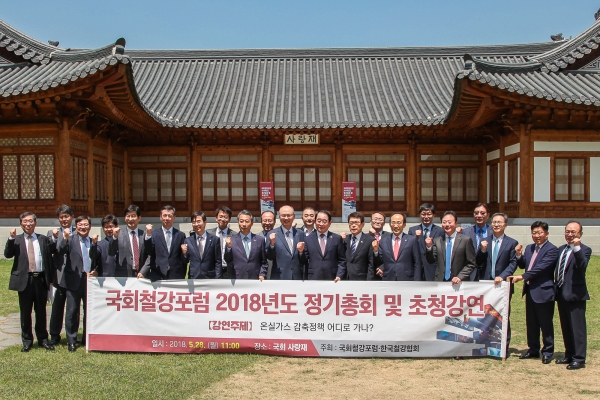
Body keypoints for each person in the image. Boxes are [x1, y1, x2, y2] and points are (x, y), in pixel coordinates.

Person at [508, 221, 558, 364]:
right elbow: (524, 264)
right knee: (532, 323)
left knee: (545, 323)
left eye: (540, 233)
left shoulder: (552, 249)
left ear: (546, 234)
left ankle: (548, 351)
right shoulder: (530, 248)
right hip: (530, 291)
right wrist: (518, 255)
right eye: (534, 233)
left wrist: (522, 277)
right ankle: (533, 349)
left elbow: (540, 268)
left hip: (544, 291)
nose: (537, 236)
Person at [4, 212, 55, 352]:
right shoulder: (17, 239)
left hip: (40, 279)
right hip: (25, 280)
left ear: (35, 223)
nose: (28, 224)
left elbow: (52, 253)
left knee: (41, 311)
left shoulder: (43, 239)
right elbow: (8, 255)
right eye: (25, 221)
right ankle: (27, 341)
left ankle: (43, 339)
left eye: (31, 221)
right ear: (21, 224)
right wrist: (10, 238)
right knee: (25, 312)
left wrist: (55, 238)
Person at [56, 216, 99, 352]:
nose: (83, 227)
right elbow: (60, 250)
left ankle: (87, 338)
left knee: (89, 311)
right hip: (73, 281)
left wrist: (96, 270)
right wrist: (64, 238)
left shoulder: (93, 241)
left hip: (89, 281)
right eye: (80, 225)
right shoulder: (71, 239)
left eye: (85, 224)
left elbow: (97, 260)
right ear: (76, 226)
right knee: (72, 311)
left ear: (90, 226)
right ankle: (72, 340)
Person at [476, 212, 518, 347]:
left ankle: (504, 344)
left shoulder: (511, 243)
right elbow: (478, 262)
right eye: (494, 222)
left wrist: (503, 276)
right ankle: (486, 341)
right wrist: (482, 250)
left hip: (503, 285)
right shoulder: (485, 241)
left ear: (505, 224)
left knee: (502, 314)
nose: (496, 225)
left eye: (499, 222)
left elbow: (513, 263)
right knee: (486, 314)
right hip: (487, 285)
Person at [554, 221, 592, 370]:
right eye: (567, 231)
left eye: (573, 232)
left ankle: (579, 358)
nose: (570, 234)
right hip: (561, 293)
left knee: (577, 328)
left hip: (576, 294)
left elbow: (582, 265)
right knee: (566, 327)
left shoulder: (584, 250)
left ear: (580, 234)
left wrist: (577, 247)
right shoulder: (561, 249)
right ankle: (569, 354)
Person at [47, 204, 73, 345]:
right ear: (58, 219)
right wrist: (55, 238)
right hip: (59, 275)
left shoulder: (79, 231)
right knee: (57, 307)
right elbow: (49, 253)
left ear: (72, 217)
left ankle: (72, 336)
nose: (64, 219)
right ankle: (55, 335)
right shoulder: (52, 233)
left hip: (74, 276)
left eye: (66, 216)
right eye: (61, 217)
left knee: (73, 308)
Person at [425, 211, 475, 283]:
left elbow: (471, 264)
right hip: (440, 281)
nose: (447, 224)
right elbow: (431, 260)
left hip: (459, 282)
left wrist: (460, 277)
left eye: (449, 222)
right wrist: (429, 247)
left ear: (456, 223)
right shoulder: (437, 240)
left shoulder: (465, 240)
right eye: (444, 222)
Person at [141, 205, 187, 280]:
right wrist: (148, 235)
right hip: (158, 273)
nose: (167, 218)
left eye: (169, 216)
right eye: (164, 215)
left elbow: (183, 257)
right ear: (160, 217)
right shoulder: (154, 234)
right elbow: (149, 251)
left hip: (176, 274)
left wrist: (185, 253)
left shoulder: (180, 235)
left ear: (174, 217)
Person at [298, 210, 346, 281]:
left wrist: (339, 275)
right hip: (314, 277)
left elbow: (342, 260)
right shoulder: (308, 239)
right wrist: (301, 252)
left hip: (332, 278)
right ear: (315, 221)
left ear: (330, 223)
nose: (321, 224)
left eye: (324, 221)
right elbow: (304, 261)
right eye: (319, 221)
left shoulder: (336, 238)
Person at [372, 213, 421, 281]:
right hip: (388, 278)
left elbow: (417, 262)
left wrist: (417, 281)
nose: (395, 225)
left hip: (407, 279)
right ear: (389, 224)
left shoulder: (412, 240)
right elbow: (380, 260)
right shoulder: (383, 240)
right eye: (393, 222)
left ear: (404, 225)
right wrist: (376, 251)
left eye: (399, 223)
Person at [223, 210, 268, 280]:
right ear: (238, 222)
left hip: (255, 278)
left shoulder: (260, 240)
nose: (244, 224)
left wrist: (262, 274)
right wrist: (228, 247)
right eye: (241, 221)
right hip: (237, 278)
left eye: (247, 221)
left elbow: (264, 261)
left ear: (252, 223)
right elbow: (228, 260)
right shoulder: (231, 240)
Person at [108, 205, 150, 278]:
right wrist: (114, 237)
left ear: (139, 218)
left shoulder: (144, 234)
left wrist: (143, 271)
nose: (130, 219)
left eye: (133, 216)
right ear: (125, 218)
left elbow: (150, 255)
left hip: (141, 275)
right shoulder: (119, 234)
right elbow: (111, 253)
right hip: (124, 275)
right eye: (128, 216)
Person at [266, 205, 305, 280]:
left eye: (289, 215)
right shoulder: (272, 234)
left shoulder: (300, 233)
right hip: (279, 277)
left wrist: (301, 252)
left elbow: (304, 259)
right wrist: (272, 244)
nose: (286, 218)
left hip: (297, 277)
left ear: (293, 216)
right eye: (283, 215)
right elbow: (269, 257)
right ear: (279, 217)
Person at [408, 203, 444, 281]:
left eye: (429, 214)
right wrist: (415, 237)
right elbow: (408, 247)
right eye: (423, 214)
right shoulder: (412, 230)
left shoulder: (440, 231)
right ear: (420, 215)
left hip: (433, 268)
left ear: (434, 215)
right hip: (417, 268)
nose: (426, 217)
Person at [181, 211, 222, 279]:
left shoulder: (215, 240)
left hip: (209, 277)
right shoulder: (188, 240)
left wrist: (218, 279)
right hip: (194, 277)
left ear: (205, 222)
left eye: (198, 221)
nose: (196, 224)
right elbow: (185, 261)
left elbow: (218, 262)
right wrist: (184, 254)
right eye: (194, 222)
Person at [461, 203, 491, 281]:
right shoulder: (465, 232)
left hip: (487, 273)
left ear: (488, 215)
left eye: (482, 213)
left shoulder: (493, 232)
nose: (479, 215)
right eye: (476, 213)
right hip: (470, 274)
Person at [340, 211, 374, 280]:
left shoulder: (369, 240)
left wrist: (369, 281)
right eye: (351, 223)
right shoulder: (345, 240)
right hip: (345, 278)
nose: (353, 225)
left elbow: (371, 264)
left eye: (356, 223)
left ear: (362, 224)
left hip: (362, 279)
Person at [207, 206, 237, 278]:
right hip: (212, 270)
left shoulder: (235, 235)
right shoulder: (208, 234)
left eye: (226, 217)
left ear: (229, 219)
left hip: (227, 270)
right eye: (220, 216)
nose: (223, 219)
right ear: (216, 218)